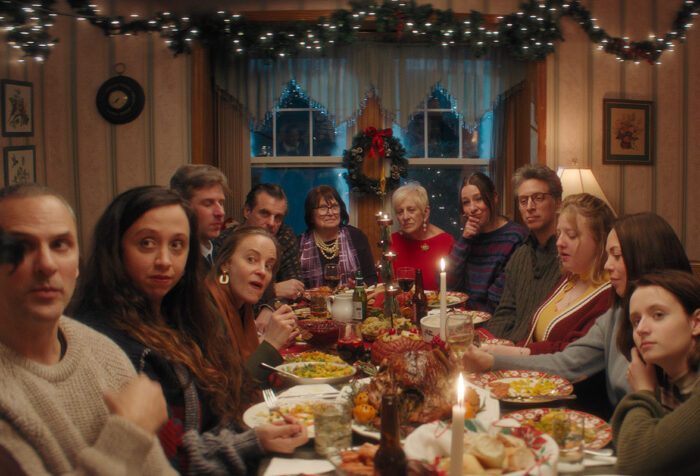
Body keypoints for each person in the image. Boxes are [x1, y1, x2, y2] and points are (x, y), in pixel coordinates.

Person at [75, 186, 308, 474]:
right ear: (115, 247)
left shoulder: (172, 317)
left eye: (177, 245)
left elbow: (187, 442)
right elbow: (164, 461)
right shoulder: (110, 343)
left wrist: (253, 441)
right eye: (147, 243)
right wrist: (270, 346)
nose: (164, 260)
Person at [0, 184, 175, 475]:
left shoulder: (101, 349)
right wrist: (129, 433)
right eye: (19, 247)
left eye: (60, 245)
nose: (46, 265)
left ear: (77, 263)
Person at [460, 212, 692, 408]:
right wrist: (493, 361)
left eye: (617, 256)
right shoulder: (617, 313)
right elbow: (567, 362)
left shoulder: (680, 327)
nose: (607, 265)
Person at [486, 193, 615, 354]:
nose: (560, 243)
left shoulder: (609, 294)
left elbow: (574, 353)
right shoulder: (571, 278)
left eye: (571, 235)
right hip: (530, 371)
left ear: (600, 240)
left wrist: (511, 354)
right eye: (559, 234)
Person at [611, 270, 700, 475]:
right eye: (635, 320)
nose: (641, 329)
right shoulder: (666, 378)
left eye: (658, 315)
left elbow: (634, 462)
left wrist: (642, 392)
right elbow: (623, 441)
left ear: (695, 323)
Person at [483, 163, 563, 341]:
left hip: (538, 356)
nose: (530, 207)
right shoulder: (520, 256)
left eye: (538, 198)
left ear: (558, 202)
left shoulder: (568, 256)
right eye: (523, 200)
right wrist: (487, 343)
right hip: (509, 350)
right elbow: (505, 312)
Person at [207, 226, 298, 382]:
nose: (262, 271)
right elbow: (230, 393)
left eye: (268, 265)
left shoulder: (241, 305)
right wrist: (271, 342)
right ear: (225, 264)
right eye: (251, 259)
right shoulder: (208, 310)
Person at [446, 172, 528, 313]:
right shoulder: (467, 238)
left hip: (492, 321)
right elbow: (447, 285)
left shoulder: (516, 237)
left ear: (494, 197)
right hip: (461, 318)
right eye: (466, 202)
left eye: (478, 199)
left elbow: (500, 299)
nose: (472, 208)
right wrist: (464, 241)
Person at [299, 185, 377, 288]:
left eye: (334, 207)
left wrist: (360, 286)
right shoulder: (300, 244)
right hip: (312, 303)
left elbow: (371, 279)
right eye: (323, 208)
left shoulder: (356, 237)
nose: (330, 213)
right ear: (311, 214)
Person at [237, 183, 304, 302]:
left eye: (278, 217)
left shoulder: (283, 235)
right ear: (247, 211)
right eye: (265, 213)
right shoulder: (226, 242)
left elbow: (294, 289)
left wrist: (269, 308)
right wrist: (273, 290)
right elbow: (229, 293)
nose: (271, 223)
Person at [390, 182, 455, 290]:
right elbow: (383, 287)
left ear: (425, 212)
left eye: (411, 210)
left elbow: (454, 289)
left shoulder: (445, 241)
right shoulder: (392, 241)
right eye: (400, 212)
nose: (405, 217)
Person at [170, 164, 228, 267]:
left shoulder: (224, 254)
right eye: (208, 204)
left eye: (221, 203)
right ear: (184, 207)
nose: (220, 212)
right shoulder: (175, 262)